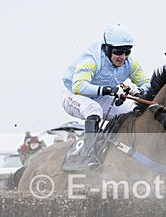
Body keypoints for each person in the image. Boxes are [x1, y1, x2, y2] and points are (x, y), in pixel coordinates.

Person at [61, 24, 151, 169]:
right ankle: (88, 154)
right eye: (118, 52)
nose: (123, 57)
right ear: (107, 48)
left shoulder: (130, 63)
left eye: (127, 52)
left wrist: (139, 91)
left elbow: (147, 83)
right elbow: (79, 86)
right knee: (93, 109)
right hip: (74, 95)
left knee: (133, 111)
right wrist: (110, 89)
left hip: (101, 96)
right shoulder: (92, 59)